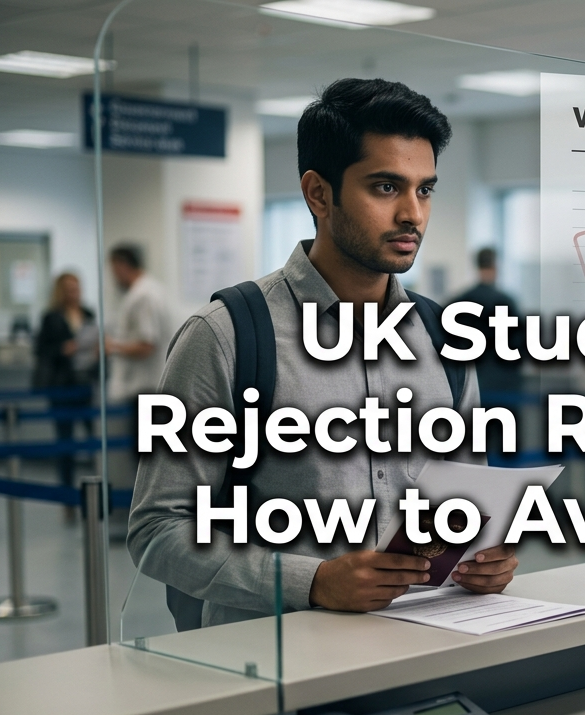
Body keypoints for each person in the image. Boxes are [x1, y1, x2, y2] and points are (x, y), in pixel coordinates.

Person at [129, 78, 519, 630]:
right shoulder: (227, 335)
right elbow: (158, 530)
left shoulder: (444, 338)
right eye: (386, 187)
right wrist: (311, 581)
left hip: (423, 643)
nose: (413, 214)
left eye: (425, 189)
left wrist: (483, 558)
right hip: (271, 668)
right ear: (318, 194)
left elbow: (467, 502)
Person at [33, 272, 98, 494]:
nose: (74, 292)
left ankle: (95, 490)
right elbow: (41, 350)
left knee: (93, 439)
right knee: (65, 442)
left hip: (84, 383)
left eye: (77, 287)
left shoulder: (88, 313)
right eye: (70, 288)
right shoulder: (51, 317)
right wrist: (63, 349)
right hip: (62, 386)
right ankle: (67, 492)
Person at [446, 247, 521, 395]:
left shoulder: (459, 302)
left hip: (469, 381)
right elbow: (519, 343)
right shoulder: (506, 302)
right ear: (495, 266)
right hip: (503, 381)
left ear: (476, 266)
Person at [106, 244, 171, 407]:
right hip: (147, 387)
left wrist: (112, 347)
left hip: (146, 387)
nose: (113, 276)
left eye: (114, 269)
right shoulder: (150, 289)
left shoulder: (143, 295)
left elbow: (147, 345)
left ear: (122, 266)